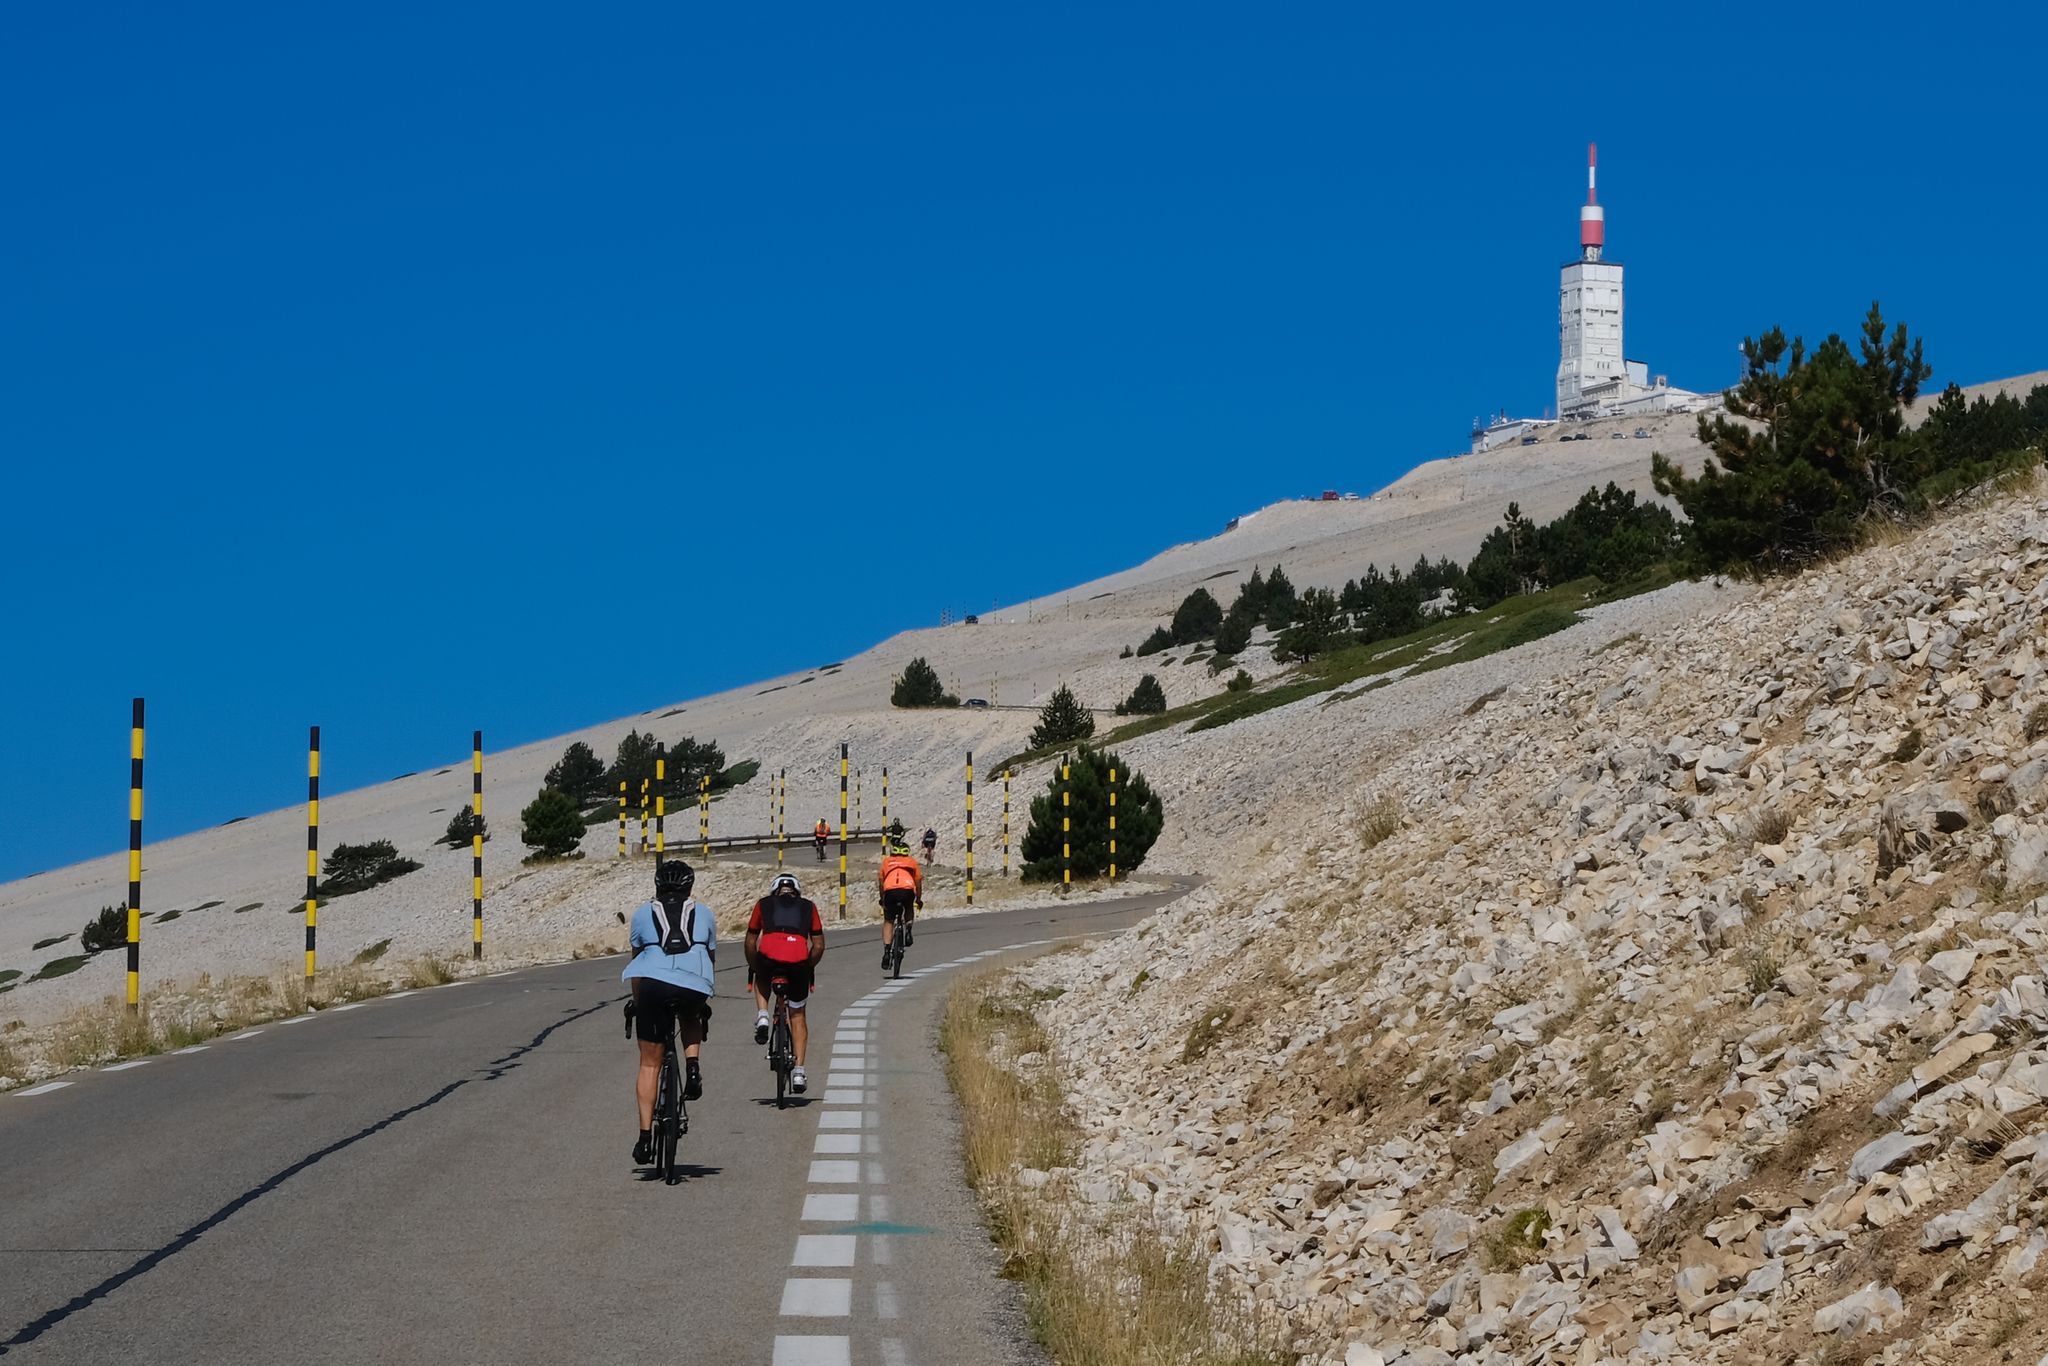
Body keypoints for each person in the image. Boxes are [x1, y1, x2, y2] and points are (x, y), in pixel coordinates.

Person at [622, 859, 715, 1168]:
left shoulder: (640, 915)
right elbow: (709, 958)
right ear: (690, 886)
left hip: (652, 985)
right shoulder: (704, 914)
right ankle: (692, 1067)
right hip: (695, 984)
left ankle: (645, 1139)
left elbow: (637, 966)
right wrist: (702, 997)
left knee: (650, 1064)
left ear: (656, 885)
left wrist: (638, 1002)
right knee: (691, 1014)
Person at [746, 872, 826, 1093]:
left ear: (774, 891)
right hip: (798, 960)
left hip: (769, 956)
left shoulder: (763, 904)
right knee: (797, 1015)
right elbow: (818, 946)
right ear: (797, 892)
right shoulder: (809, 907)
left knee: (761, 974)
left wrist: (754, 965)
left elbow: (750, 940)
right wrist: (807, 967)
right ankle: (799, 1072)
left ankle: (763, 1015)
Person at [877, 836, 923, 970]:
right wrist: (918, 899)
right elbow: (918, 882)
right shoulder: (912, 862)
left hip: (890, 891)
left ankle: (886, 952)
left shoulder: (886, 862)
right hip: (907, 890)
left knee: (889, 920)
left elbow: (881, 882)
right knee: (909, 908)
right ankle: (908, 930)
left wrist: (882, 898)